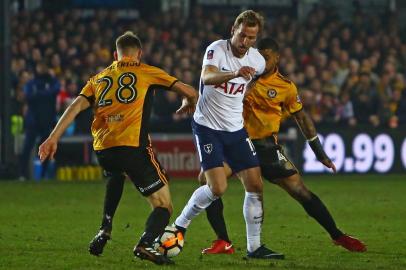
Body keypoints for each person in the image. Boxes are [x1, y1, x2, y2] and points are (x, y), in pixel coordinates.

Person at [38, 31, 197, 265]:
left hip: (103, 149)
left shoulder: (99, 78)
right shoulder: (146, 71)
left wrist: (52, 138)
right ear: (139, 54)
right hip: (133, 146)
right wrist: (187, 101)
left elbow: (74, 106)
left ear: (115, 55)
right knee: (164, 205)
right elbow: (191, 91)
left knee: (116, 174)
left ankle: (105, 227)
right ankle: (145, 243)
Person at [199, 38, 367, 255]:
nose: (261, 61)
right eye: (259, 56)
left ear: (277, 58)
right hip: (237, 142)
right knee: (207, 180)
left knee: (300, 190)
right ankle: (223, 241)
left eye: (266, 57)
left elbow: (302, 118)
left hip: (266, 146)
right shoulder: (241, 76)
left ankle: (337, 235)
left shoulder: (285, 87)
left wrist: (319, 153)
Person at [173, 10, 284, 259]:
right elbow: (207, 76)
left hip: (235, 129)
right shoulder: (217, 49)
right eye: (242, 35)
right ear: (233, 30)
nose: (245, 42)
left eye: (251, 38)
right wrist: (234, 73)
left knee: (255, 185)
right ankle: (179, 226)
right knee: (217, 187)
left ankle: (254, 247)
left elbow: (255, 81)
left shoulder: (257, 61)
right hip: (208, 127)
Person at [19, 61, 61, 180]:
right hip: (33, 121)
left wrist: (38, 93)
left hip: (46, 121)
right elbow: (28, 95)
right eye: (40, 66)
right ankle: (22, 174)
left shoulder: (52, 82)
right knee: (27, 148)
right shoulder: (31, 83)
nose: (41, 69)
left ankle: (43, 175)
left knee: (46, 148)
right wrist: (45, 94)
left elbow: (55, 90)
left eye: (44, 66)